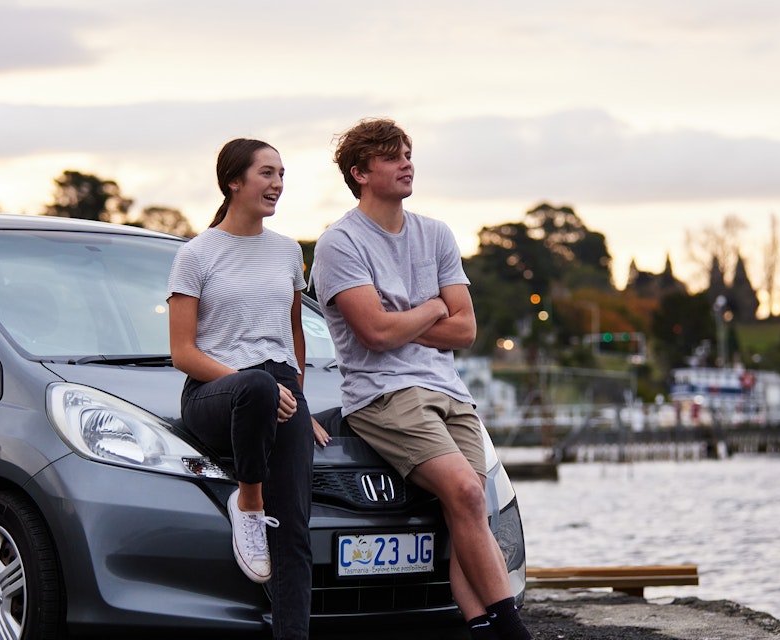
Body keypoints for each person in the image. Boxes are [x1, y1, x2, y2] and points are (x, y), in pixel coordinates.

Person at [311, 118, 531, 640]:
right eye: (391, 156)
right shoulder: (340, 243)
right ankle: (514, 631)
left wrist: (406, 318)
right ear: (360, 173)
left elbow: (467, 330)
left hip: (450, 393)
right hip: (383, 396)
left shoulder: (434, 233)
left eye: (407, 153)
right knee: (467, 495)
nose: (406, 163)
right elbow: (374, 334)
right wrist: (433, 306)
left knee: (469, 508)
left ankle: (480, 632)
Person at [167, 138, 329, 640]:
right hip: (216, 392)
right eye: (266, 173)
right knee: (257, 385)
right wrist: (250, 383)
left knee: (296, 532)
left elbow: (294, 333)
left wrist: (300, 400)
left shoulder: (286, 251)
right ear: (233, 181)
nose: (277, 183)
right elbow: (183, 353)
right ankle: (250, 504)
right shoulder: (196, 255)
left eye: (282, 174)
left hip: (278, 390)